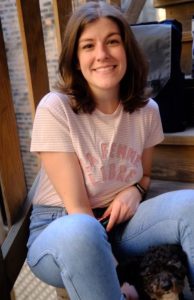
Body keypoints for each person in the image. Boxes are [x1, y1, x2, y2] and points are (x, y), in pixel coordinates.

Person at [27, 1, 194, 299]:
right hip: (63, 227)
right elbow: (78, 210)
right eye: (88, 45)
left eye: (112, 42)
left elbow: (143, 176)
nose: (102, 54)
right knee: (84, 232)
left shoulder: (147, 111)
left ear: (127, 50)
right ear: (76, 60)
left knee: (191, 205)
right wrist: (119, 278)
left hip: (123, 222)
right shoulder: (56, 109)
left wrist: (136, 191)